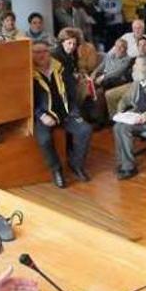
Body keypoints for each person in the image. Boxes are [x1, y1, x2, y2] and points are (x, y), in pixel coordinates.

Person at [32, 42, 92, 188]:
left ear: (49, 52)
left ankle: (76, 164)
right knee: (44, 139)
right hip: (43, 115)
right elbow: (28, 101)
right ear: (31, 54)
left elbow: (72, 93)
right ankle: (56, 170)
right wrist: (41, 115)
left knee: (85, 130)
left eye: (44, 51)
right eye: (37, 52)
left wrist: (74, 112)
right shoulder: (28, 73)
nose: (41, 55)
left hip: (66, 112)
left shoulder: (60, 68)